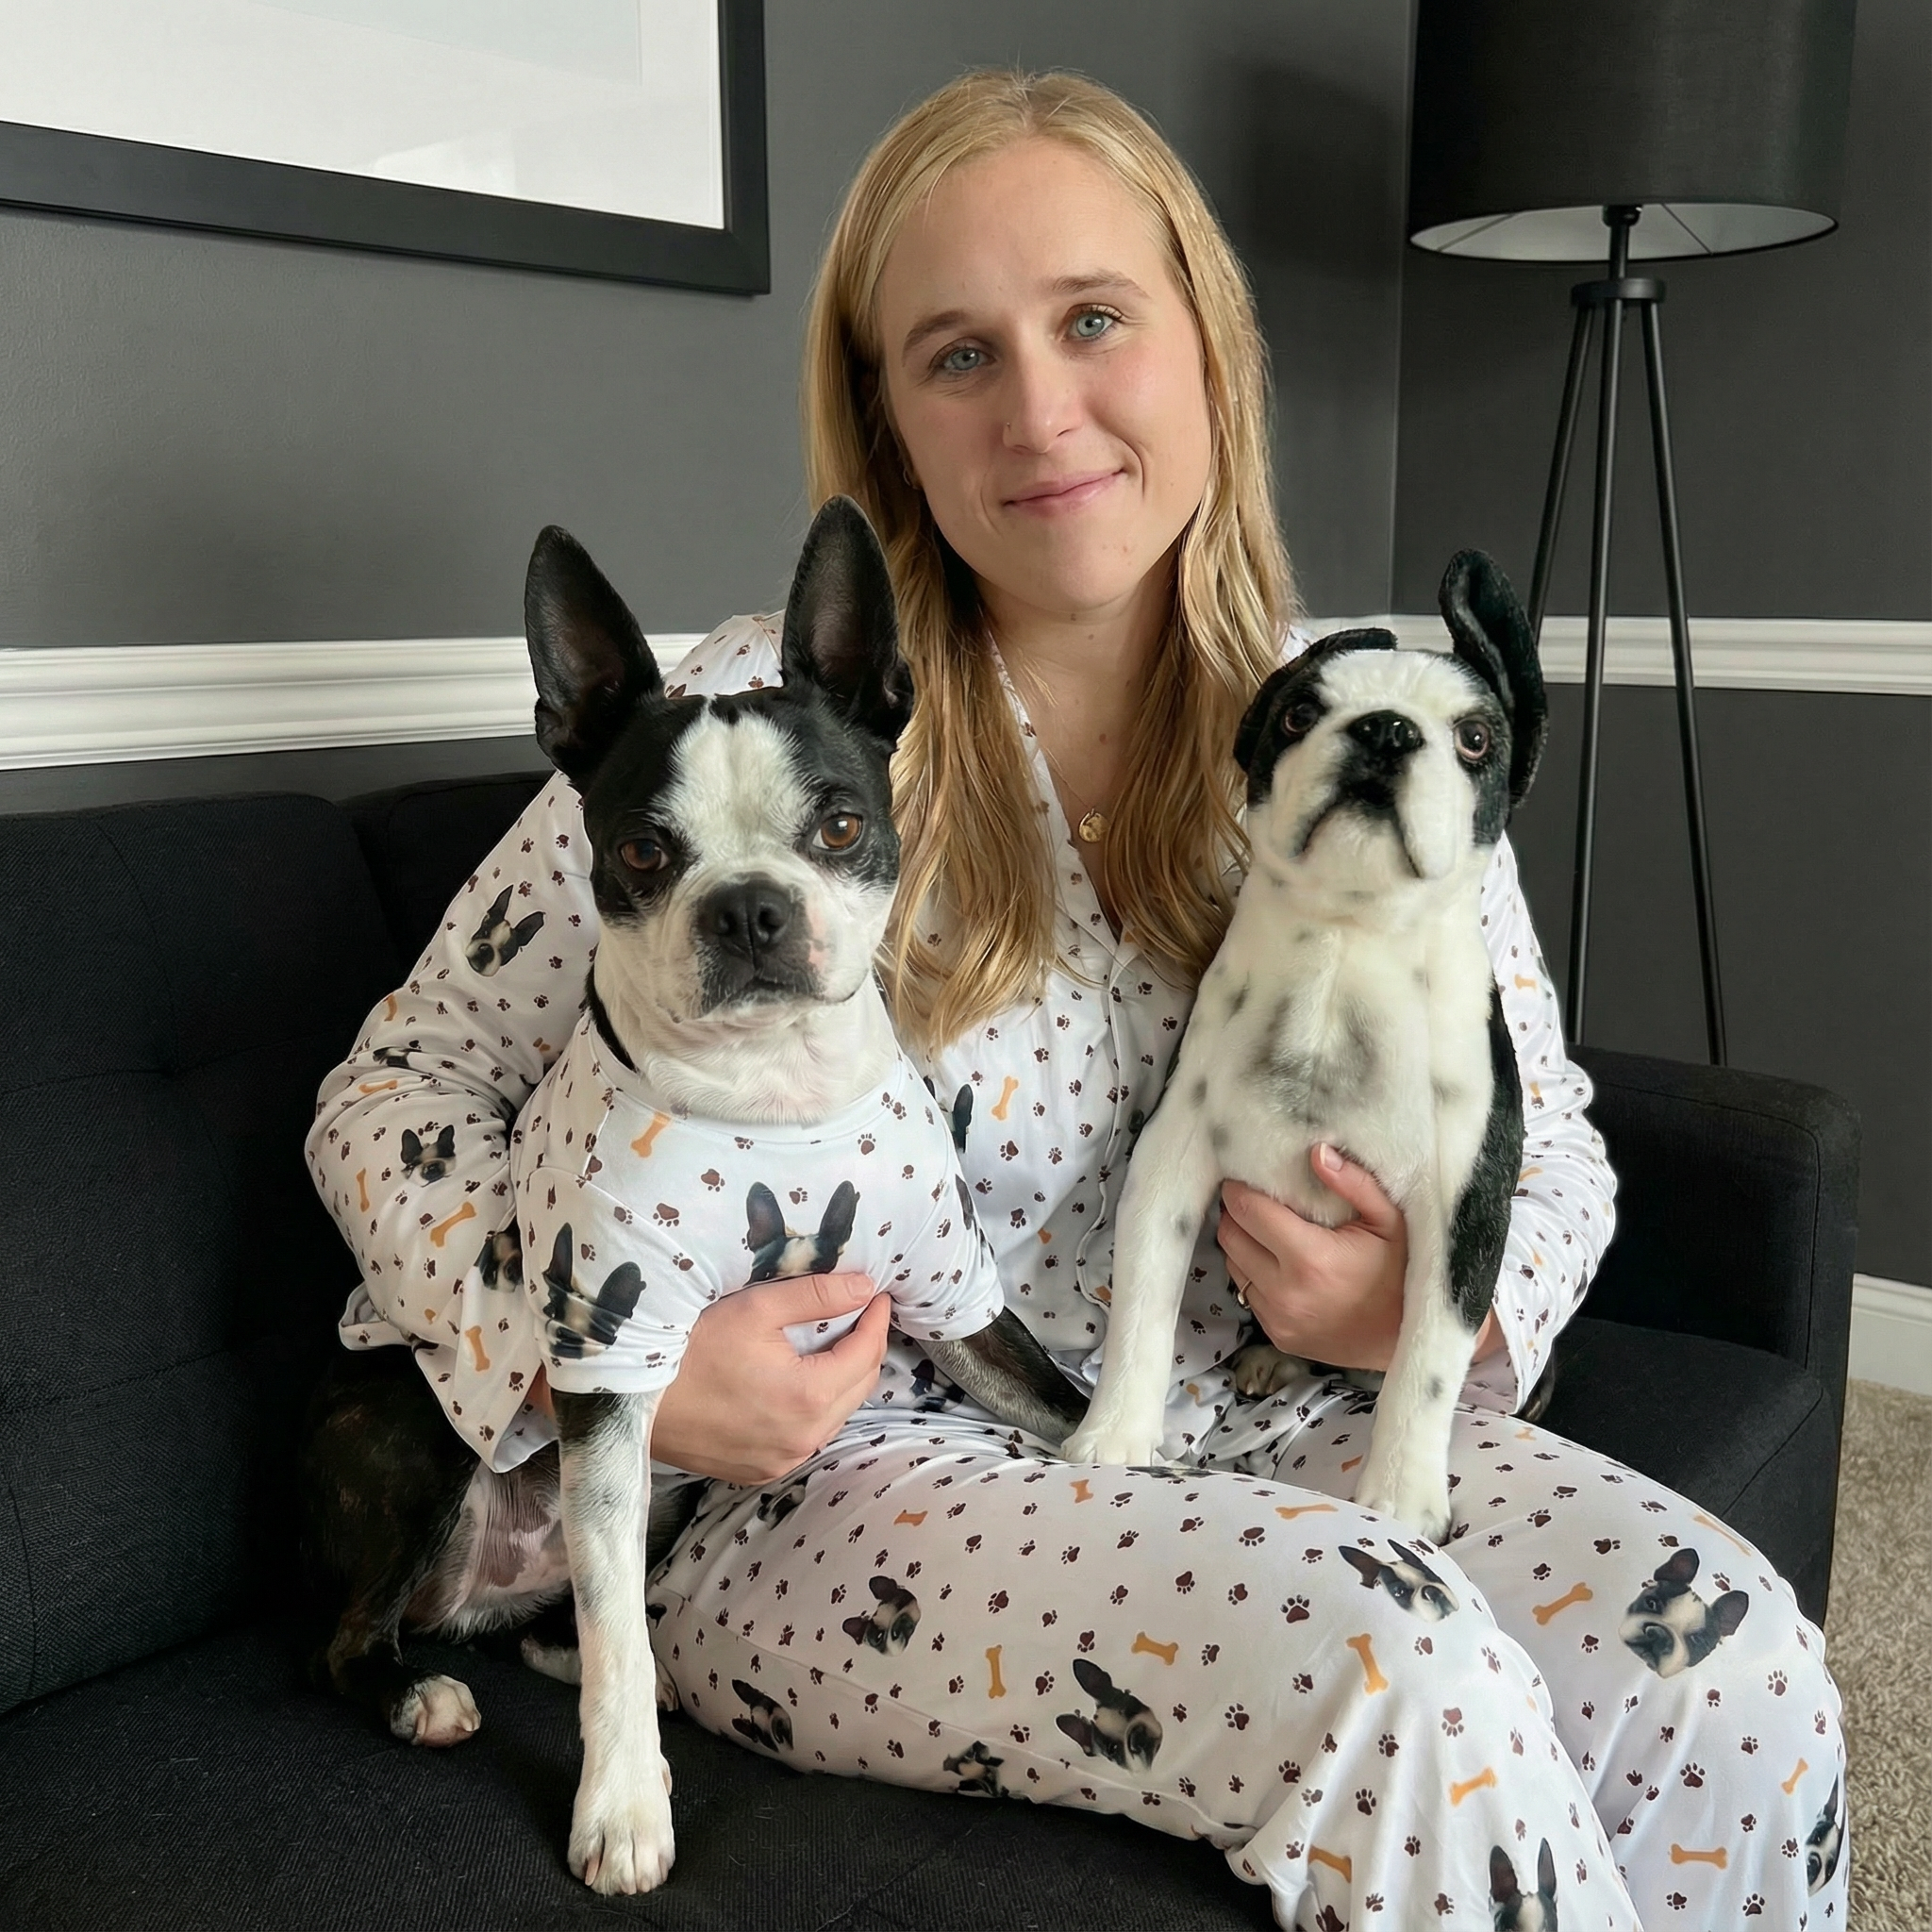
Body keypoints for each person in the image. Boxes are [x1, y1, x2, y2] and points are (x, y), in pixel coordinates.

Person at [308, 68, 1847, 1929]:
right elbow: (390, 1095)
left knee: (1733, 1663)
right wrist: (600, 1368)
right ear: (888, 420)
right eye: (957, 354)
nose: (1038, 411)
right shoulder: (751, 727)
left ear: (1209, 341)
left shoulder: (1365, 718)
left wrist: (1426, 1305)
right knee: (1405, 1676)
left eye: (1094, 319)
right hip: (848, 1493)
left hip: (1286, 1417)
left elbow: (1559, 1144)